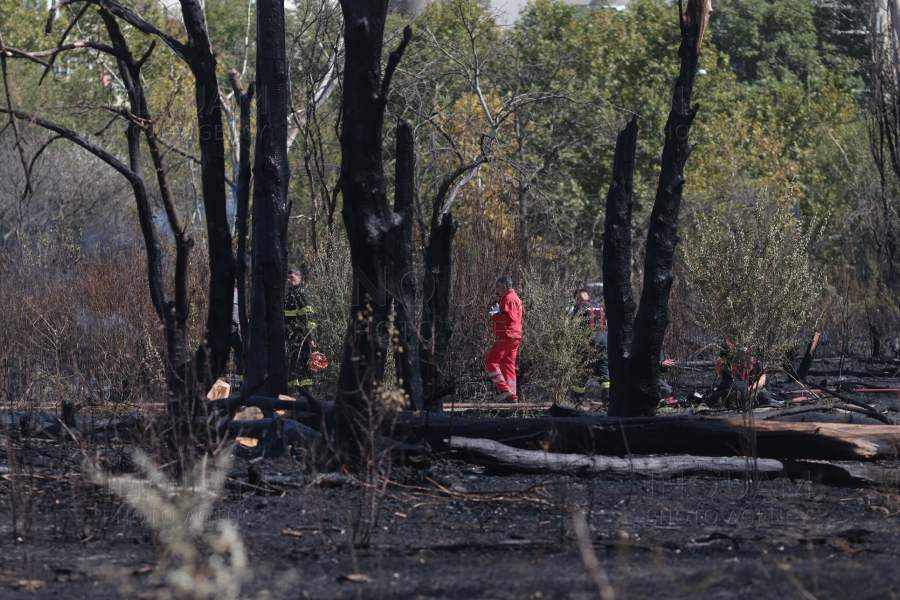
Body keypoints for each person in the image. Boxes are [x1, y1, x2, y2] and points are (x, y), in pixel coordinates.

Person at [485, 275, 522, 402]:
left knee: (490, 361)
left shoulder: (509, 298)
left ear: (504, 287)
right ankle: (512, 398)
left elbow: (510, 318)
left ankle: (504, 389)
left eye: (498, 286)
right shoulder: (513, 297)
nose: (496, 289)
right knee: (508, 366)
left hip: (507, 335)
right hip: (514, 336)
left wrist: (495, 317)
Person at [569, 289, 609, 404]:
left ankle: (576, 401)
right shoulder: (601, 307)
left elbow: (573, 325)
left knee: (581, 371)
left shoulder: (579, 306)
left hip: (588, 342)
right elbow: (606, 324)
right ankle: (608, 401)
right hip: (604, 341)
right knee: (604, 370)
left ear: (577, 298)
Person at [707, 342, 769, 408]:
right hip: (743, 384)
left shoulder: (727, 345)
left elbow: (717, 366)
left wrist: (724, 377)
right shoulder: (748, 344)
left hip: (728, 382)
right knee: (745, 401)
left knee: (711, 402)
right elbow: (750, 366)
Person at [284, 268, 317, 390]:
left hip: (301, 335)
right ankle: (294, 392)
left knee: (302, 362)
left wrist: (310, 338)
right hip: (292, 335)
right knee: (293, 363)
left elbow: (309, 316)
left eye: (292, 278)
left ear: (299, 278)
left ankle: (306, 393)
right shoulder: (291, 293)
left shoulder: (302, 293)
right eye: (288, 278)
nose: (289, 280)